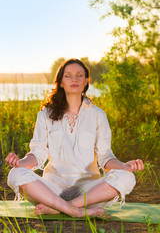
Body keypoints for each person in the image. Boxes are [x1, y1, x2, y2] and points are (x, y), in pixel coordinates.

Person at [6, 58, 144, 218]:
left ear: (86, 81)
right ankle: (76, 211)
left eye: (79, 75)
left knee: (127, 177)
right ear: (61, 82)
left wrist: (123, 166)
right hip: (51, 188)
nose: (74, 79)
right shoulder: (45, 115)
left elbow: (105, 157)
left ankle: (63, 208)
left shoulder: (98, 115)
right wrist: (20, 163)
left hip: (89, 191)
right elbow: (38, 153)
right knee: (15, 174)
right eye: (68, 75)